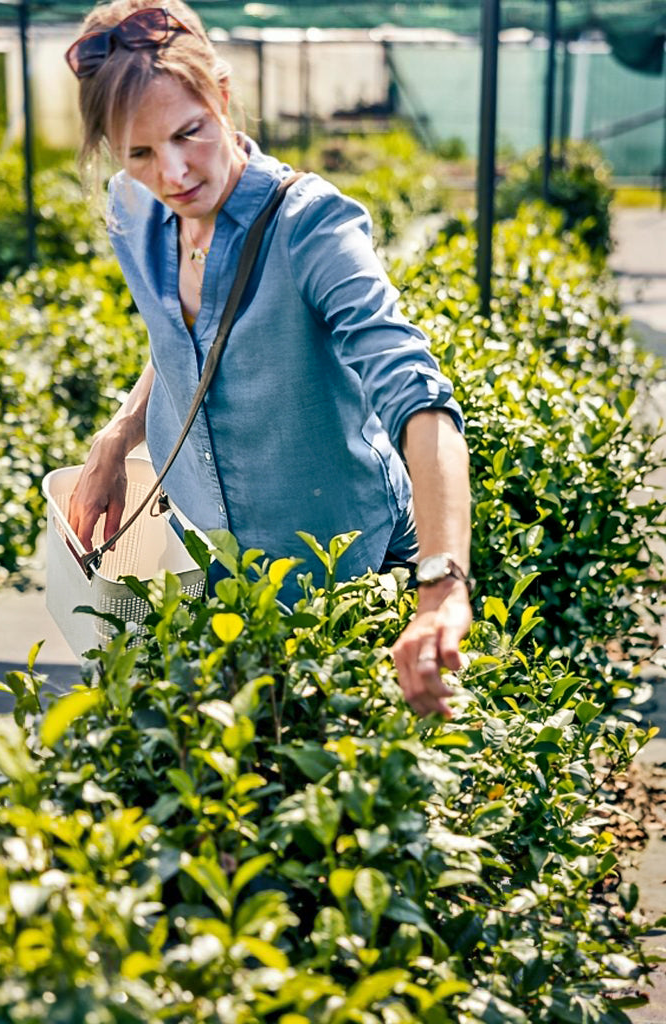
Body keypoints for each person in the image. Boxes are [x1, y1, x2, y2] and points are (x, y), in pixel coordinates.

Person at [64, 0, 473, 718]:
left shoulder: (310, 226)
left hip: (340, 566)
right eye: (139, 152)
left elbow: (418, 396)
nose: (175, 172)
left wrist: (440, 588)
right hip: (207, 553)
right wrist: (118, 435)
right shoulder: (132, 209)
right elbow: (182, 337)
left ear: (222, 97)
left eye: (190, 133)